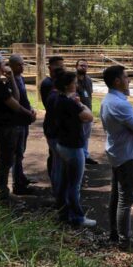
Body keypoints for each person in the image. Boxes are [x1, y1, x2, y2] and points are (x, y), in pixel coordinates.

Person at [100, 65, 133, 251]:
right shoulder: (121, 104)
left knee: (116, 195)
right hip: (126, 155)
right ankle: (124, 242)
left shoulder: (108, 100)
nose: (129, 80)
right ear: (117, 81)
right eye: (126, 77)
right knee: (125, 199)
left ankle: (114, 233)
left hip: (116, 151)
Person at [0, 51, 37, 201]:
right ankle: (3, 194)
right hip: (5, 127)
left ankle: (5, 192)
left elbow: (16, 97)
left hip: (6, 126)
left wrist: (11, 78)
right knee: (5, 162)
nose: (5, 65)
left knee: (8, 160)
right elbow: (16, 105)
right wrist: (29, 114)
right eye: (3, 63)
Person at [53, 70, 96, 227]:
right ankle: (77, 218)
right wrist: (80, 103)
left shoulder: (58, 99)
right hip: (73, 147)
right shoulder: (69, 103)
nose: (77, 84)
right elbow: (89, 117)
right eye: (74, 82)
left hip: (62, 144)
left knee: (64, 181)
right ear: (67, 85)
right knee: (74, 185)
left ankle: (63, 213)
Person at [9, 54, 35, 187]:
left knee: (21, 150)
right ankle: (16, 183)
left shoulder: (21, 78)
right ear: (11, 66)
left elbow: (24, 98)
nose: (22, 66)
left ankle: (21, 176)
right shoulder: (10, 82)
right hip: (17, 121)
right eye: (19, 64)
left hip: (24, 120)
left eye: (23, 64)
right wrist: (28, 112)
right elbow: (16, 103)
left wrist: (31, 108)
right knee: (17, 153)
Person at [40, 56, 64, 192]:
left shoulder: (55, 84)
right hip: (54, 127)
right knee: (56, 158)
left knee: (56, 157)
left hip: (54, 126)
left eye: (62, 67)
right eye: (58, 68)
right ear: (50, 68)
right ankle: (56, 187)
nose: (61, 70)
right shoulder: (49, 85)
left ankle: (57, 186)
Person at [76, 59, 99, 165]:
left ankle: (85, 156)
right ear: (76, 66)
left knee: (86, 136)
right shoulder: (73, 80)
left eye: (86, 66)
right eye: (81, 65)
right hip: (77, 114)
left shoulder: (89, 80)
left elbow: (90, 95)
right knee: (78, 135)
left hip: (88, 111)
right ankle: (79, 157)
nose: (84, 68)